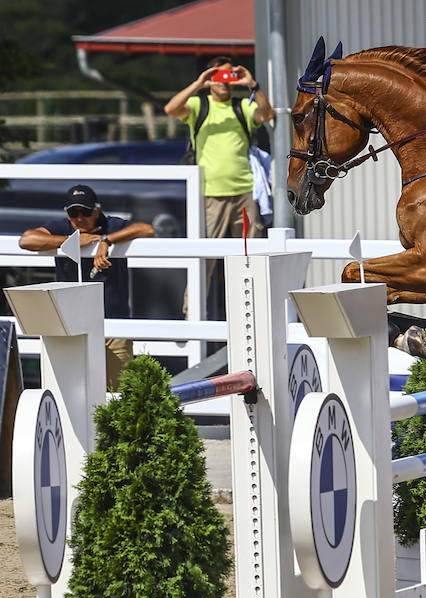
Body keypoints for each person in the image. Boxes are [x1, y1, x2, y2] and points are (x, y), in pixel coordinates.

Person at [164, 57, 276, 319]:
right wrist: (200, 83)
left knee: (249, 256)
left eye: (229, 76)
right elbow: (171, 109)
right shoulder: (198, 105)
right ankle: (191, 315)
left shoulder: (242, 107)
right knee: (205, 259)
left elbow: (267, 115)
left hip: (245, 194)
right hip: (210, 195)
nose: (224, 82)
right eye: (219, 76)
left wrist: (252, 85)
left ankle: (251, 314)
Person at [18, 184, 156, 391]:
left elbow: (147, 230)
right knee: (72, 392)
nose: (80, 217)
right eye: (74, 212)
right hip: (71, 327)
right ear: (67, 214)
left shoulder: (111, 225)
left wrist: (106, 241)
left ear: (97, 211)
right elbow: (26, 240)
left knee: (120, 394)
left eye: (86, 211)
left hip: (113, 327)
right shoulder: (63, 228)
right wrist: (71, 241)